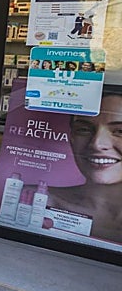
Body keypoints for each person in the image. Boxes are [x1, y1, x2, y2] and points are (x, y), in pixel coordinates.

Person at [35, 91, 122, 245]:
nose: (97, 144)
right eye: (83, 129)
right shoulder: (37, 199)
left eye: (120, 132)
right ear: (71, 138)